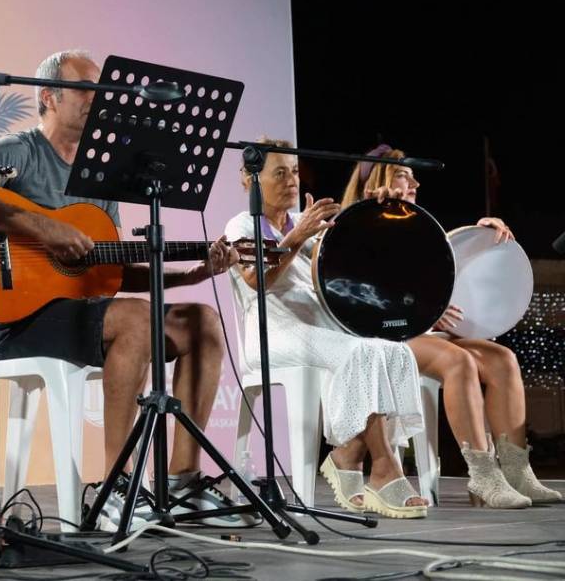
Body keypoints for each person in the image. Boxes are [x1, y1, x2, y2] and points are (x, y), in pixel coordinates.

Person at [0, 50, 256, 531]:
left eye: (103, 91)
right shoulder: (16, 151)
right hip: (15, 318)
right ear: (49, 97)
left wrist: (190, 275)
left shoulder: (101, 177)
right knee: (132, 318)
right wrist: (44, 229)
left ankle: (184, 480)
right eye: (87, 90)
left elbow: (111, 271)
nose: (100, 100)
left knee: (201, 322)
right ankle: (115, 487)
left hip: (87, 312)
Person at [341, 144, 561, 507]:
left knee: (502, 359)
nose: (414, 184)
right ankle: (483, 475)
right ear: (378, 182)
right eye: (403, 176)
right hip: (385, 335)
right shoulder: (356, 227)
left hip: (426, 331)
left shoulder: (419, 226)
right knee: (458, 362)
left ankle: (518, 473)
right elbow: (364, 291)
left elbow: (444, 268)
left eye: (414, 178)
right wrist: (424, 308)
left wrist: (483, 237)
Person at [224, 139, 431, 518]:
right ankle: (384, 468)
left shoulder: (309, 227)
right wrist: (298, 235)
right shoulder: (242, 224)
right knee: (362, 351)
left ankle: (348, 455)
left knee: (394, 349)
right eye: (280, 173)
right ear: (250, 180)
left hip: (320, 329)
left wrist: (379, 210)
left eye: (295, 171)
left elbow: (363, 259)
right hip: (274, 334)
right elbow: (256, 280)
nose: (291, 180)